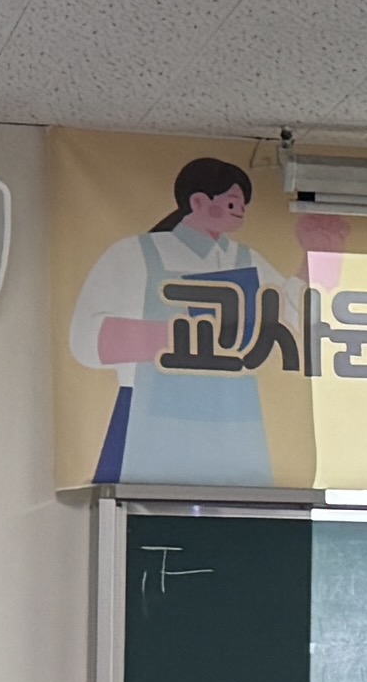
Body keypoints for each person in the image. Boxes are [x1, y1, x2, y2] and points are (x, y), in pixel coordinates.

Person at [67, 152, 302, 485]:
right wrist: (178, 338)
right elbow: (85, 339)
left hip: (234, 417)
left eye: (243, 206)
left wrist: (315, 255)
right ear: (198, 202)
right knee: (134, 507)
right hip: (147, 414)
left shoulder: (246, 258)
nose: (240, 212)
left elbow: (294, 315)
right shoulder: (137, 252)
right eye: (232, 203)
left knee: (242, 507)